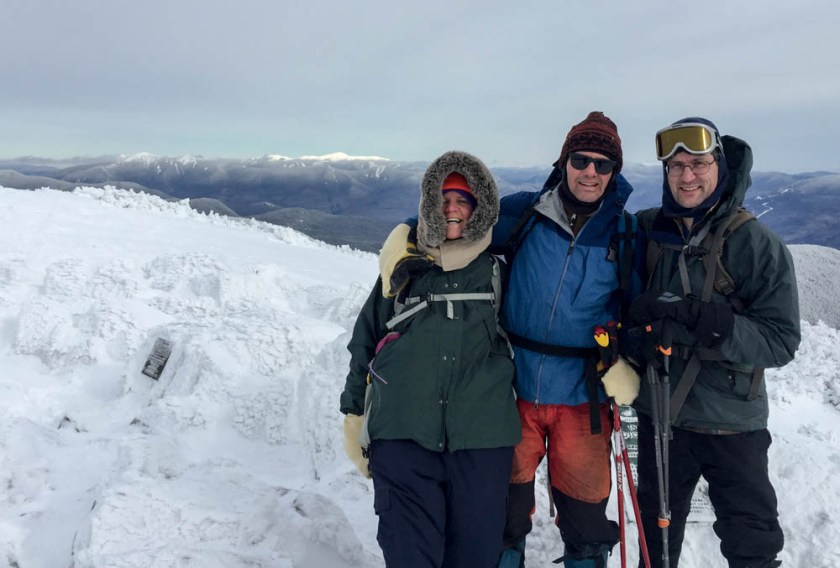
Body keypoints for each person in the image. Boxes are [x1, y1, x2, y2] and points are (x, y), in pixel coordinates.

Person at [628, 118, 801, 568]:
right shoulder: (649, 233)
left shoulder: (755, 244)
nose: (687, 177)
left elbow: (781, 340)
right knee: (656, 539)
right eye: (676, 166)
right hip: (662, 411)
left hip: (732, 422)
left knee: (751, 541)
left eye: (699, 164)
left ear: (719, 166)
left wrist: (716, 324)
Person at [339, 150, 521, 568]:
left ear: (481, 208)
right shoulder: (402, 268)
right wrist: (353, 413)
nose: (452, 208)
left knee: (474, 557)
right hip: (402, 436)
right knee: (409, 556)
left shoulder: (498, 270)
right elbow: (365, 340)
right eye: (443, 199)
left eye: (464, 199)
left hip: (481, 440)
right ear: (428, 206)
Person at [492, 112, 642, 568]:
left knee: (585, 515)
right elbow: (453, 219)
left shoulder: (625, 233)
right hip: (513, 387)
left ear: (614, 172)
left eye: (603, 164)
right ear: (564, 162)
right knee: (502, 506)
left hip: (584, 396)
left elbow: (637, 308)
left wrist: (627, 360)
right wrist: (407, 236)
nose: (590, 172)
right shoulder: (523, 214)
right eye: (581, 160)